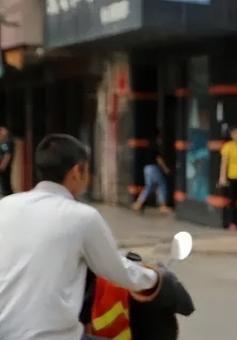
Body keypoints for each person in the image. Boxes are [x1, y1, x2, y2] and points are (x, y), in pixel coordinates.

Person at [0, 134, 160, 340]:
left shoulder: (5, 206)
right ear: (77, 171)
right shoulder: (82, 217)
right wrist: (157, 278)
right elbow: (120, 272)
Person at [132, 134, 172, 214]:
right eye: (159, 139)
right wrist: (166, 169)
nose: (161, 141)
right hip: (153, 168)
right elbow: (159, 159)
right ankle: (163, 206)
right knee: (162, 184)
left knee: (149, 187)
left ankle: (138, 204)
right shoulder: (155, 148)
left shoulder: (148, 148)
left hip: (146, 169)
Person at [0, 126, 14, 196]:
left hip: (4, 168)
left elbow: (7, 155)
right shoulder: (4, 142)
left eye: (2, 130)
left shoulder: (6, 142)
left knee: (5, 185)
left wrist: (3, 166)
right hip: (3, 167)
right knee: (4, 184)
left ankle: (7, 197)